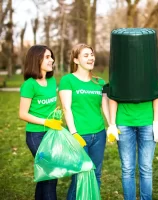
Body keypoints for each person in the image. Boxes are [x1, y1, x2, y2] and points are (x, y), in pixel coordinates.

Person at [59, 43, 109, 200]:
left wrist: (112, 126)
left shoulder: (100, 82)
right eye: (86, 55)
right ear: (76, 60)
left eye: (92, 55)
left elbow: (105, 107)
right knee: (80, 175)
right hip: (78, 134)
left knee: (96, 174)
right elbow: (66, 108)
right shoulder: (68, 80)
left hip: (99, 134)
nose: (90, 58)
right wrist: (74, 133)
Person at [19, 45, 62, 200]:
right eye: (47, 57)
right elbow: (22, 114)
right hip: (35, 135)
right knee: (51, 173)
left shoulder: (51, 82)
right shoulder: (29, 84)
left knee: (47, 176)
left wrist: (55, 115)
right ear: (36, 60)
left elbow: (48, 106)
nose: (52, 60)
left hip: (52, 133)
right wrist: (46, 121)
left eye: (51, 56)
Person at [107, 96, 158, 200]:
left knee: (146, 168)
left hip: (147, 122)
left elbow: (156, 92)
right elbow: (113, 95)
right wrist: (112, 124)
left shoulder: (149, 78)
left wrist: (157, 121)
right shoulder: (119, 78)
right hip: (124, 122)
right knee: (127, 168)